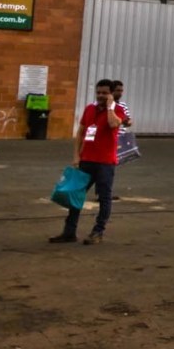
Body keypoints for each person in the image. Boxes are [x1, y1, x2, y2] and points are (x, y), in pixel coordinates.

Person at [51, 79, 131, 246]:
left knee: (104, 198)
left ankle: (98, 232)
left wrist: (110, 106)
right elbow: (80, 133)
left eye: (105, 93)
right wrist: (76, 156)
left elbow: (112, 123)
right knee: (75, 195)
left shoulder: (118, 110)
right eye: (99, 92)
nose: (101, 96)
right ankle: (69, 232)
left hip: (105, 163)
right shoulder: (89, 109)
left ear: (111, 94)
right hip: (86, 160)